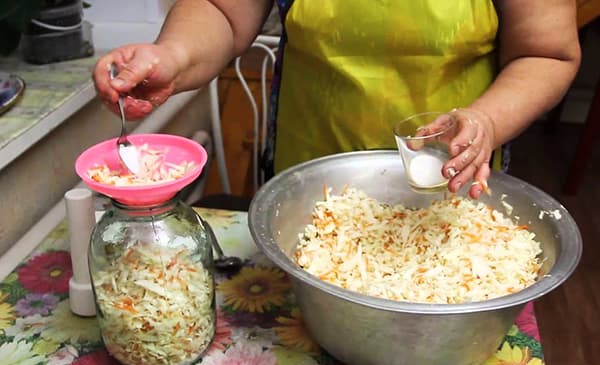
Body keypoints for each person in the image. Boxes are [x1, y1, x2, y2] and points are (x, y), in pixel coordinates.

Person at [92, 0, 581, 199]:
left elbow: (547, 52)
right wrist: (174, 53)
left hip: (451, 180)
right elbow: (221, 11)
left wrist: (487, 121)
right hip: (308, 177)